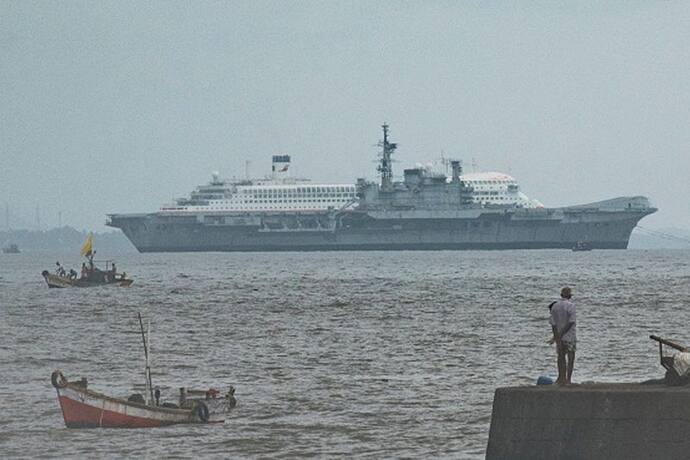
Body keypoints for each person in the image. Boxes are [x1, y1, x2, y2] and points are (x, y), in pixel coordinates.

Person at [549, 287, 576, 385]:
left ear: (561, 295)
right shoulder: (571, 306)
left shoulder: (555, 306)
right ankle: (568, 380)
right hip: (570, 336)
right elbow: (571, 322)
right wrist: (561, 334)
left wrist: (557, 337)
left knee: (560, 357)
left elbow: (553, 324)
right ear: (569, 296)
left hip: (559, 337)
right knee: (571, 357)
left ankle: (561, 378)